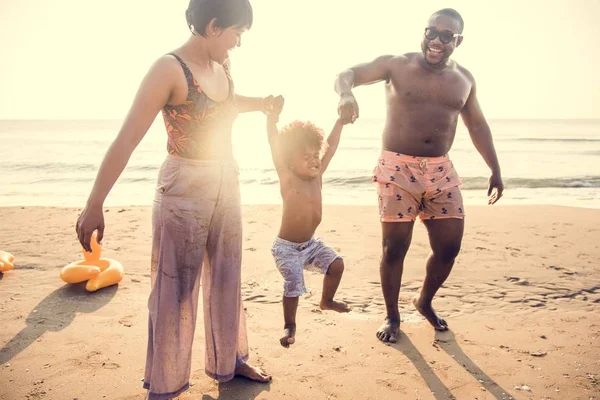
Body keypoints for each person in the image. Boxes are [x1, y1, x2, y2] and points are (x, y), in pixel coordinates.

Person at [75, 0, 276, 398]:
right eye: (237, 33)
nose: (238, 44)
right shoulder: (169, 69)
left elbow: (228, 107)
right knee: (175, 288)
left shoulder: (223, 66)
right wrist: (94, 202)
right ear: (214, 26)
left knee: (226, 277)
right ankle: (165, 383)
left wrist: (264, 104)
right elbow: (127, 138)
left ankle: (229, 361)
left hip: (227, 180)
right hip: (184, 187)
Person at [334, 8, 504, 343]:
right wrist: (346, 93)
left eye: (446, 36)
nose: (437, 41)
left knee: (449, 248)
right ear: (423, 32)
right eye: (432, 32)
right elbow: (348, 72)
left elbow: (478, 125)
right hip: (397, 167)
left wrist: (495, 169)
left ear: (458, 40)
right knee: (394, 249)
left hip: (441, 168)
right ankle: (393, 315)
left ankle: (424, 301)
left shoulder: (464, 79)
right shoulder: (398, 65)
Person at [266, 99, 351, 348]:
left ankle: (327, 301)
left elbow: (331, 146)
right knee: (293, 282)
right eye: (306, 157)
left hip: (311, 245)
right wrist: (271, 120)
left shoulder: (318, 175)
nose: (314, 160)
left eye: (315, 155)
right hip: (286, 247)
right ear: (290, 162)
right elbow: (273, 143)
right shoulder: (288, 177)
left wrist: (340, 122)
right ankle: (289, 325)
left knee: (337, 265)